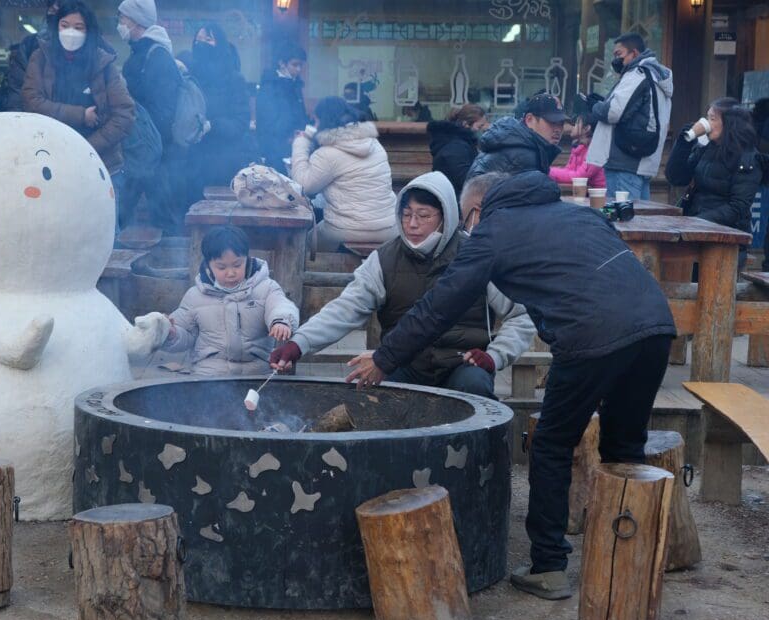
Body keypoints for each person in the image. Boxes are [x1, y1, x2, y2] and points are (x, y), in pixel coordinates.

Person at [345, 170, 676, 600]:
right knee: (624, 446)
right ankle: (637, 556)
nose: (466, 228)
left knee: (552, 444)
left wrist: (385, 359)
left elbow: (439, 306)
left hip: (590, 337)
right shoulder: (579, 215)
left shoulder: (493, 232)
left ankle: (549, 566)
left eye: (465, 219)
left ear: (478, 210)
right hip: (655, 326)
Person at [269, 171, 534, 399]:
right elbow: (345, 308)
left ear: (446, 216)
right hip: (403, 364)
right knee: (373, 388)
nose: (413, 224)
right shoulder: (384, 259)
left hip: (461, 364)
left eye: (424, 215)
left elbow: (521, 315)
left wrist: (494, 357)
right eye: (406, 214)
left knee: (473, 385)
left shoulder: (476, 255)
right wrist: (299, 343)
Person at [160, 226, 299, 376]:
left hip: (257, 373)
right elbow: (185, 335)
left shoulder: (266, 287)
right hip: (209, 374)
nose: (231, 273)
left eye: (237, 265)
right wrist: (171, 334)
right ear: (208, 265)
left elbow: (280, 305)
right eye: (221, 267)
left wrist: (281, 321)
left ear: (247, 258)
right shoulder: (195, 296)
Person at [23, 1, 134, 181]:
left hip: (100, 164)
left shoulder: (103, 63)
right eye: (64, 25)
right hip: (50, 160)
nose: (70, 32)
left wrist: (86, 148)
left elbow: (124, 114)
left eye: (78, 27)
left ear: (88, 31)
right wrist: (80, 115)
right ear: (56, 26)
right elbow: (32, 101)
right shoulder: (41, 57)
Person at [665, 98, 763, 269]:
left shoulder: (748, 157)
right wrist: (684, 141)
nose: (706, 123)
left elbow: (737, 207)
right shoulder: (706, 147)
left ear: (729, 124)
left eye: (712, 119)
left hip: (726, 237)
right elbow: (676, 177)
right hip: (696, 230)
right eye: (707, 117)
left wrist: (696, 222)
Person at [290, 97, 396, 252]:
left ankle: (314, 276)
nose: (315, 126)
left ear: (324, 121)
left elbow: (303, 186)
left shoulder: (327, 154)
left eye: (316, 121)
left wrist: (301, 142)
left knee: (302, 243)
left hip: (346, 231)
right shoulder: (375, 145)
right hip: (388, 227)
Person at [117, 0, 187, 231]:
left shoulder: (156, 57)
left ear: (136, 21)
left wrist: (147, 140)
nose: (120, 23)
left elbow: (164, 110)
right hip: (144, 146)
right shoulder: (142, 52)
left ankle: (176, 259)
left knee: (157, 213)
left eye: (123, 18)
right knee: (133, 209)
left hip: (153, 148)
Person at [587, 33, 673, 201]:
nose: (616, 60)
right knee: (640, 220)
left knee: (623, 221)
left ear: (634, 53)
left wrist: (594, 106)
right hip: (641, 160)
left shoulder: (637, 74)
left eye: (619, 54)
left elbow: (613, 112)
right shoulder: (655, 75)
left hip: (624, 161)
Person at [187, 22, 254, 198]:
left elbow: (241, 123)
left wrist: (212, 125)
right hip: (193, 161)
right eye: (198, 39)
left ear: (220, 44)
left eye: (208, 39)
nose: (201, 43)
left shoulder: (234, 79)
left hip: (223, 162)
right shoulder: (190, 75)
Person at [466, 93, 565, 179]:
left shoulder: (520, 143)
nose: (557, 129)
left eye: (561, 123)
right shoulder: (523, 154)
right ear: (529, 120)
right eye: (551, 122)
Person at [256, 41, 308, 174]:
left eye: (300, 65)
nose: (298, 69)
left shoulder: (295, 84)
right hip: (275, 148)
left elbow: (300, 114)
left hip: (294, 145)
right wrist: (290, 134)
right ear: (282, 63)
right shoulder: (269, 86)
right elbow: (268, 122)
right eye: (295, 64)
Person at [0, 1, 59, 113]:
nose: (55, 15)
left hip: (76, 128)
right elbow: (16, 93)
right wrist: (17, 123)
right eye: (52, 10)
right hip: (33, 122)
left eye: (60, 10)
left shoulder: (93, 48)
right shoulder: (31, 45)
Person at [428, 104, 489, 199]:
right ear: (466, 124)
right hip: (454, 199)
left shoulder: (459, 143)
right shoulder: (456, 147)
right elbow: (465, 180)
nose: (482, 130)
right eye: (479, 126)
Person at [548, 108, 605, 189]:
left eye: (576, 124)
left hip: (597, 197)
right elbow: (568, 171)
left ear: (586, 128)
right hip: (583, 193)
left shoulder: (596, 151)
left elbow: (579, 177)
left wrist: (548, 171)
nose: (572, 127)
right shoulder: (579, 148)